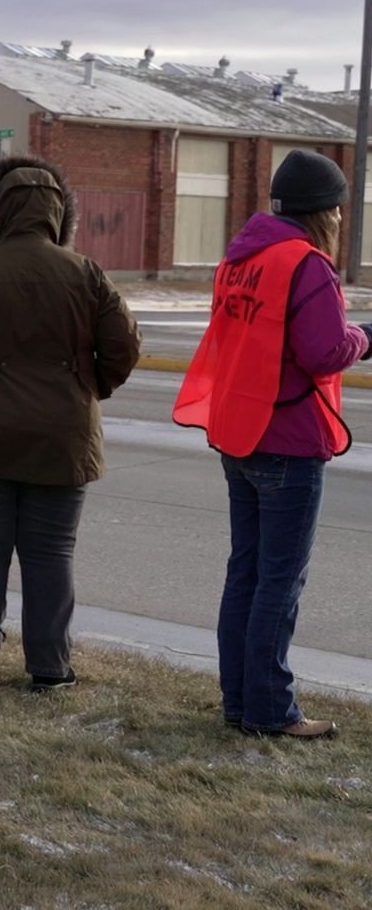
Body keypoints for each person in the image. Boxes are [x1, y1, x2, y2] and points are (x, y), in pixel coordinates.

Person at [0, 157, 142, 691]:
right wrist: (87, 388)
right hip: (62, 438)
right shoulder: (86, 274)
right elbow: (125, 347)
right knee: (51, 551)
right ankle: (50, 666)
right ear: (59, 216)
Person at [175, 149, 369, 739]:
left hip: (241, 432)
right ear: (325, 211)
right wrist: (366, 336)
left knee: (247, 574)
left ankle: (239, 702)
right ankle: (269, 710)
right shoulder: (305, 264)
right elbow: (323, 351)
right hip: (288, 439)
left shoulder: (242, 260)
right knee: (278, 583)